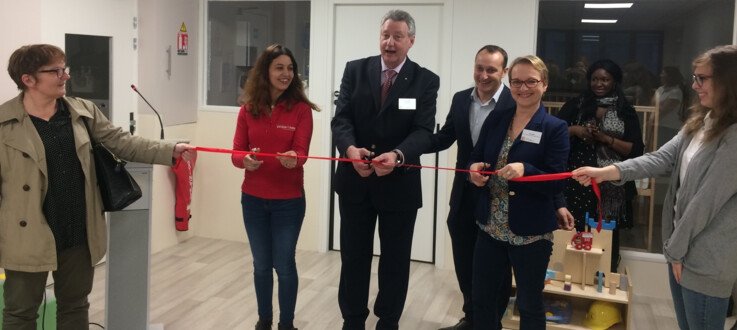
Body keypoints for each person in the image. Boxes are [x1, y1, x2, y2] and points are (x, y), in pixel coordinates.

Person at [0, 44, 195, 329]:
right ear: (28, 79)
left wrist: (170, 149)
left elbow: (123, 142)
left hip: (78, 230)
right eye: (55, 71)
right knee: (20, 314)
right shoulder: (5, 124)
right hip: (24, 235)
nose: (64, 76)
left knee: (75, 307)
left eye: (64, 68)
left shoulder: (82, 112)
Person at [572, 45, 737, 330]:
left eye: (702, 78)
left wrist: (674, 251)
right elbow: (659, 159)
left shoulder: (733, 135)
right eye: (694, 78)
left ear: (729, 81)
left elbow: (706, 201)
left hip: (706, 259)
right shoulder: (701, 123)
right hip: (682, 252)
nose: (695, 85)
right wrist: (606, 172)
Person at [330, 9, 439, 330]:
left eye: (398, 37)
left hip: (399, 185)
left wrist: (398, 155)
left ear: (411, 41)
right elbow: (341, 119)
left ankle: (388, 320)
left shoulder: (425, 80)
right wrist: (350, 151)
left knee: (395, 261)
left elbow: (423, 131)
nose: (389, 43)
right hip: (355, 181)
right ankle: (352, 319)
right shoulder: (355, 70)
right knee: (353, 257)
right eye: (385, 35)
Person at [468, 55, 570, 329]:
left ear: (544, 84)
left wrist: (527, 170)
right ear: (509, 84)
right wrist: (474, 169)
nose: (523, 88)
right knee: (483, 301)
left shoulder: (555, 128)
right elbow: (476, 157)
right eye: (516, 82)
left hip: (531, 234)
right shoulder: (497, 119)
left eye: (531, 82)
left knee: (528, 304)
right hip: (490, 228)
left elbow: (557, 181)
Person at [230, 44, 319, 330]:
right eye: (279, 68)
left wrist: (294, 159)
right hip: (253, 200)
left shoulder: (302, 110)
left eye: (290, 68)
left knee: (284, 264)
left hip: (288, 201)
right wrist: (245, 160)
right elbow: (235, 153)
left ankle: (287, 324)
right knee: (260, 265)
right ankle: (264, 321)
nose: (286, 74)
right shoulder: (247, 109)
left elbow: (302, 153)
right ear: (265, 71)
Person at [426, 45, 513, 330]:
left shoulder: (514, 103)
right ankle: (472, 317)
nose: (484, 75)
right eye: (480, 67)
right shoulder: (461, 99)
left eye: (491, 69)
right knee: (464, 261)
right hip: (464, 195)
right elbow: (445, 137)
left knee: (496, 267)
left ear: (504, 72)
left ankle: (492, 323)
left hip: (499, 197)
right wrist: (405, 148)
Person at [556, 59, 644, 272]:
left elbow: (635, 150)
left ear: (615, 81)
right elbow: (555, 133)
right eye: (595, 79)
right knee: (573, 233)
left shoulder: (625, 110)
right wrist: (576, 130)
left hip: (610, 185)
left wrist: (606, 138)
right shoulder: (575, 105)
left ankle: (603, 282)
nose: (599, 84)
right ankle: (572, 278)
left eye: (605, 79)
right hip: (577, 181)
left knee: (604, 238)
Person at [655, 66, 688, 148]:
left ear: (670, 76)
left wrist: (659, 105)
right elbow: (653, 105)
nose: (661, 76)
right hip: (658, 125)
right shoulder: (660, 89)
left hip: (669, 127)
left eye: (663, 73)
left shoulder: (676, 92)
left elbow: (664, 110)